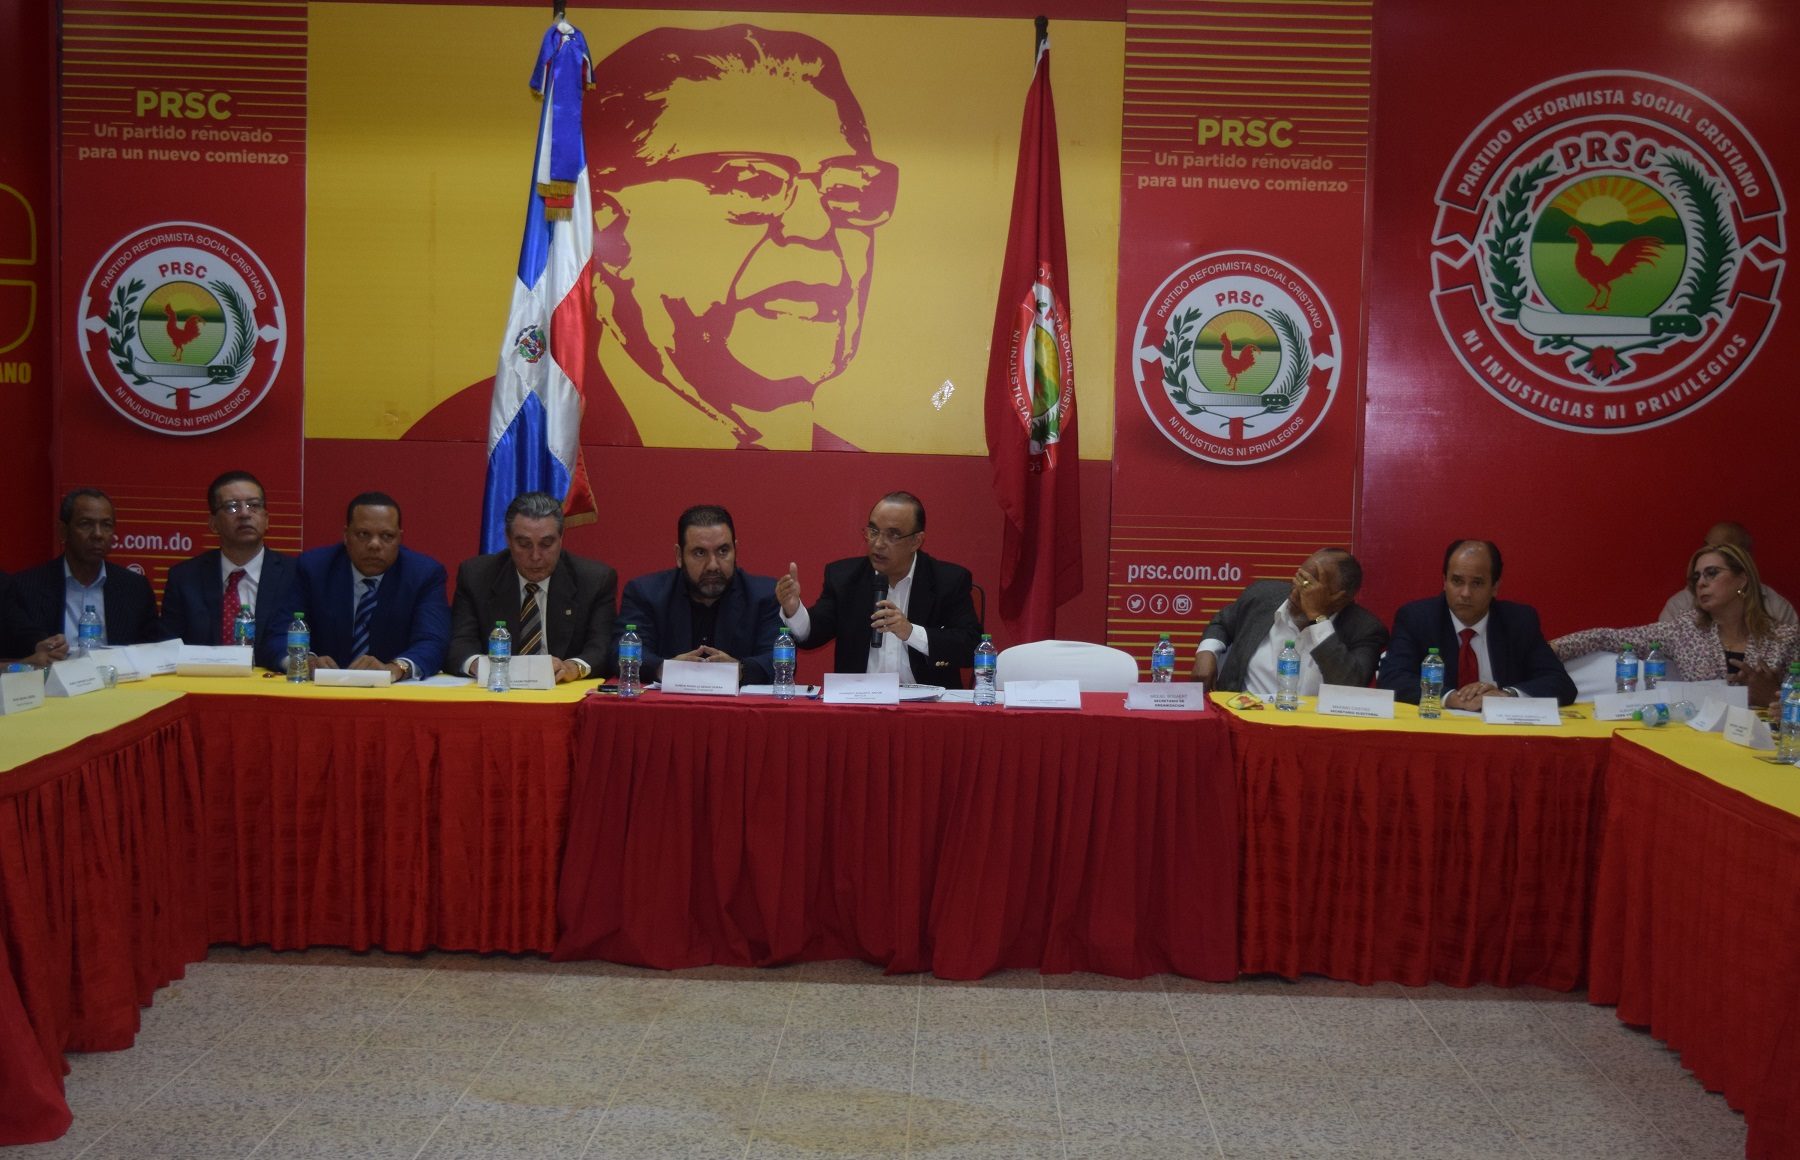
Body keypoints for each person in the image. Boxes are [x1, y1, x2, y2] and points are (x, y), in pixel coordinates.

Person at [586, 24, 898, 450]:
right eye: (751, 184)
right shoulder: (521, 454)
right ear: (606, 223)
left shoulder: (871, 477)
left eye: (847, 190)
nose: (815, 227)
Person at [1555, 542, 1799, 706]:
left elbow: (1792, 706)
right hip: (1697, 740)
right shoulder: (1685, 630)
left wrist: (1773, 697)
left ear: (1742, 579)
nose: (1701, 583)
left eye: (1712, 573)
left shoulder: (1785, 638)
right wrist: (1548, 650)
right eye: (1697, 577)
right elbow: (1608, 637)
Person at [776, 492, 980, 687]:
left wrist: (910, 632)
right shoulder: (844, 578)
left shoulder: (948, 580)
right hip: (859, 700)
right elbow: (814, 634)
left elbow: (971, 646)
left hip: (927, 703)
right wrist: (794, 610)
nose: (878, 544)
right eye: (873, 531)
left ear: (916, 541)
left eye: (893, 535)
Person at [270, 492, 449, 680]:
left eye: (387, 536)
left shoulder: (423, 575)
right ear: (346, 536)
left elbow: (433, 641)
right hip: (322, 687)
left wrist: (397, 668)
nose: (374, 544)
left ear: (400, 538)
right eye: (363, 534)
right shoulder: (314, 568)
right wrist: (304, 661)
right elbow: (280, 633)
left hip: (391, 691)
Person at [1378, 539, 1577, 708]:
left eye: (1477, 583)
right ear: (1444, 582)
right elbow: (1392, 678)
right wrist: (1451, 698)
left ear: (1495, 587)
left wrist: (1506, 695)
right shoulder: (1417, 618)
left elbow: (1560, 683)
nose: (1465, 593)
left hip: (1502, 732)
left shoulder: (1519, 621)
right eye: (1457, 581)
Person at [445, 491, 616, 683]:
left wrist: (572, 668)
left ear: (561, 538)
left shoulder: (594, 580)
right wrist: (482, 666)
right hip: (498, 688)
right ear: (508, 539)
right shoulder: (476, 576)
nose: (535, 556)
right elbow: (460, 645)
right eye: (524, 544)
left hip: (561, 691)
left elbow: (601, 648)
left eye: (546, 544)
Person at [614, 504, 780, 684]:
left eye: (723, 551)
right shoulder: (646, 593)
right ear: (679, 556)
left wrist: (739, 671)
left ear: (736, 550)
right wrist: (665, 669)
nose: (713, 565)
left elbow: (778, 657)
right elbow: (620, 651)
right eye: (700, 553)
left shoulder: (764, 595)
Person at [1191, 548, 1388, 694]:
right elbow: (1222, 623)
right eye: (1300, 576)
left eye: (1310, 584)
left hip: (1313, 731)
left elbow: (1349, 686)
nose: (1297, 588)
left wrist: (1318, 618)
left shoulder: (1365, 628)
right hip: (1243, 722)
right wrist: (1207, 652)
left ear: (1340, 598)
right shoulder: (1262, 596)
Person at [155, 471, 298, 670]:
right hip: (204, 684)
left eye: (254, 505)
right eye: (232, 506)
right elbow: (168, 649)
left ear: (266, 519)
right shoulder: (185, 578)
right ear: (213, 524)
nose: (245, 514)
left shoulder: (295, 575)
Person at [12, 488, 159, 660]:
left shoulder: (135, 589)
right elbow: (16, 655)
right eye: (86, 524)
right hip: (53, 677)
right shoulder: (26, 588)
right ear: (63, 531)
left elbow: (154, 652)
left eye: (106, 525)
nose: (98, 534)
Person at [1658, 521, 1795, 626]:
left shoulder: (1777, 609)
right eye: (1707, 547)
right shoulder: (1680, 607)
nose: (1701, 583)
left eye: (1713, 572)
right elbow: (1657, 651)